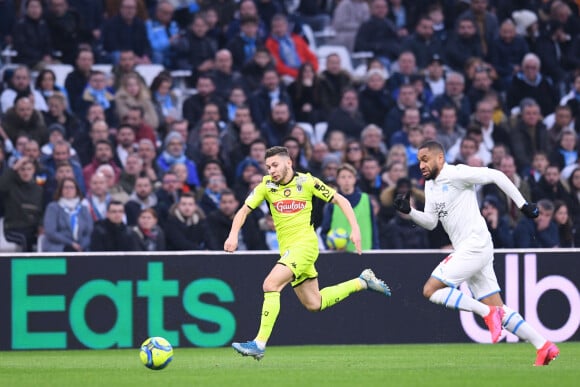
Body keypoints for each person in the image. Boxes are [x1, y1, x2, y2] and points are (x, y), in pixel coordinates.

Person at [393, 141, 560, 366]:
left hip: (475, 244)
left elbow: (497, 175)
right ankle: (543, 346)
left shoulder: (458, 173)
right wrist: (410, 212)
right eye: (419, 160)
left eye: (425, 159)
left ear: (440, 158)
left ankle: (487, 313)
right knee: (497, 306)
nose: (421, 164)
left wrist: (523, 204)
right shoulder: (430, 185)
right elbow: (432, 222)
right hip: (469, 248)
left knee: (430, 290)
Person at [226, 146, 391, 360]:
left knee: (270, 284)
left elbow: (341, 199)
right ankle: (362, 281)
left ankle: (259, 343)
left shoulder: (307, 182)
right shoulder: (266, 186)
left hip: (305, 246)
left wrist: (355, 229)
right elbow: (244, 210)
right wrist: (233, 234)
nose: (271, 171)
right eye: (268, 167)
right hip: (289, 251)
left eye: (275, 165)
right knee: (315, 303)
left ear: (288, 162)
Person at [42, 177, 93, 252]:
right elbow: (51, 232)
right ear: (60, 190)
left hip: (80, 249)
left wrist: (81, 246)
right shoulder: (53, 207)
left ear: (77, 190)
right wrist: (71, 243)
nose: (69, 190)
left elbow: (89, 232)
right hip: (58, 248)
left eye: (72, 187)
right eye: (66, 187)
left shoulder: (83, 209)